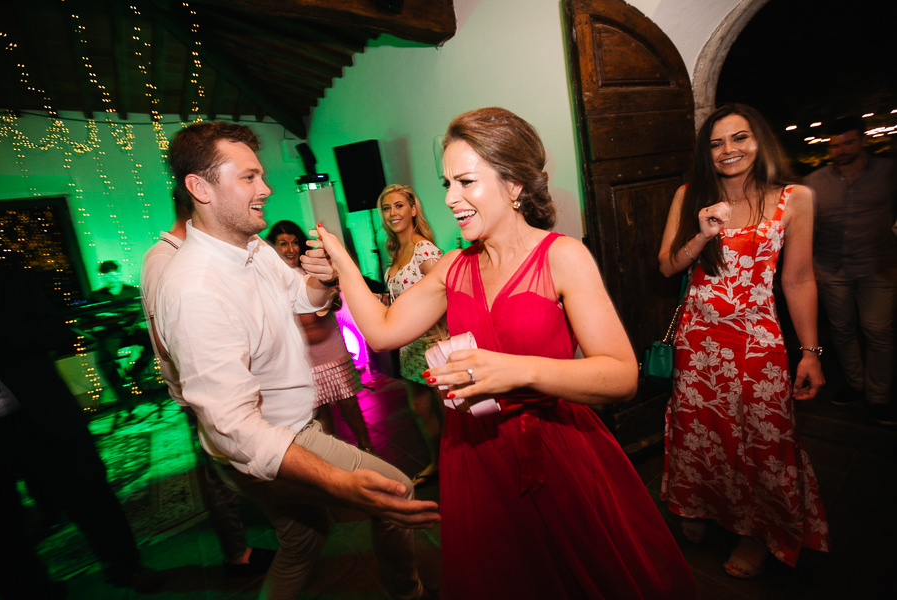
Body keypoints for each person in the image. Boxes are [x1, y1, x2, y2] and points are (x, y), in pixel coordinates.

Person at [306, 107, 697, 599]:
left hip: (555, 446)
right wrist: (341, 261)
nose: (450, 198)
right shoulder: (451, 267)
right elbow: (383, 332)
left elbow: (621, 376)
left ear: (514, 185)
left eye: (466, 182)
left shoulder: (561, 257)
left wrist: (511, 370)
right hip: (473, 451)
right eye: (447, 183)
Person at [153, 121, 438, 600]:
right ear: (199, 188)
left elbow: (302, 298)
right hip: (268, 441)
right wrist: (339, 483)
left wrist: (323, 280)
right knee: (394, 491)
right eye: (248, 178)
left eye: (261, 175)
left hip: (288, 425)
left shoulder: (253, 249)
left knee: (303, 542)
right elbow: (232, 427)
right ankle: (409, 594)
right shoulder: (195, 288)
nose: (265, 188)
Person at [658, 103, 830, 579]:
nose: (728, 150)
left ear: (761, 142)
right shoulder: (690, 194)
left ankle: (756, 532)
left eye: (740, 138)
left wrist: (810, 353)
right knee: (701, 432)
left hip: (758, 343)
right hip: (699, 342)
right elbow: (668, 265)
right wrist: (702, 233)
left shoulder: (794, 198)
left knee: (761, 438)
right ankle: (697, 506)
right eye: (716, 143)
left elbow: (797, 280)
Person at [0, 268, 161, 597]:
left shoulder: (10, 276)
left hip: (41, 413)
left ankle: (127, 566)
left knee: (90, 494)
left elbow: (55, 332)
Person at [139, 192, 276, 577]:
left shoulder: (199, 254)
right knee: (220, 475)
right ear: (197, 205)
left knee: (238, 468)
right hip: (199, 393)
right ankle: (237, 554)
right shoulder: (163, 260)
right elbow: (171, 340)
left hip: (235, 383)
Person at [803, 116, 897, 425]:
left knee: (878, 331)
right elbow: (808, 228)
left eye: (848, 143)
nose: (841, 150)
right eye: (834, 145)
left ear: (863, 140)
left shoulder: (888, 172)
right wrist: (812, 265)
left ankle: (879, 397)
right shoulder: (815, 182)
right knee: (842, 330)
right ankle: (856, 385)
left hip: (878, 267)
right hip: (832, 267)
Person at [266, 219, 376, 454]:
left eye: (295, 243)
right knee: (320, 411)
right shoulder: (270, 280)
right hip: (303, 357)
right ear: (273, 248)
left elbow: (333, 302)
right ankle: (334, 458)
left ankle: (367, 448)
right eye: (283, 244)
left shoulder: (314, 270)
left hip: (331, 347)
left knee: (348, 401)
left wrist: (332, 296)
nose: (290, 249)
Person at [378, 184, 445, 486]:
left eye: (399, 206)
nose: (393, 213)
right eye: (387, 208)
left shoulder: (424, 250)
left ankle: (459, 468)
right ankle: (437, 462)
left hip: (433, 346)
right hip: (409, 349)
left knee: (449, 413)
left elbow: (446, 295)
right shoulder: (394, 253)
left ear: (414, 210)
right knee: (420, 409)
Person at [89, 260, 155, 421]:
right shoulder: (95, 296)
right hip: (112, 333)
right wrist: (104, 319)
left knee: (156, 342)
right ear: (103, 277)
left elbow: (144, 310)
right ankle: (126, 398)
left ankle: (135, 373)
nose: (111, 278)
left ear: (118, 274)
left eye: (113, 274)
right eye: (106, 275)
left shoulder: (132, 291)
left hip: (132, 329)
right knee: (104, 361)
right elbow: (90, 320)